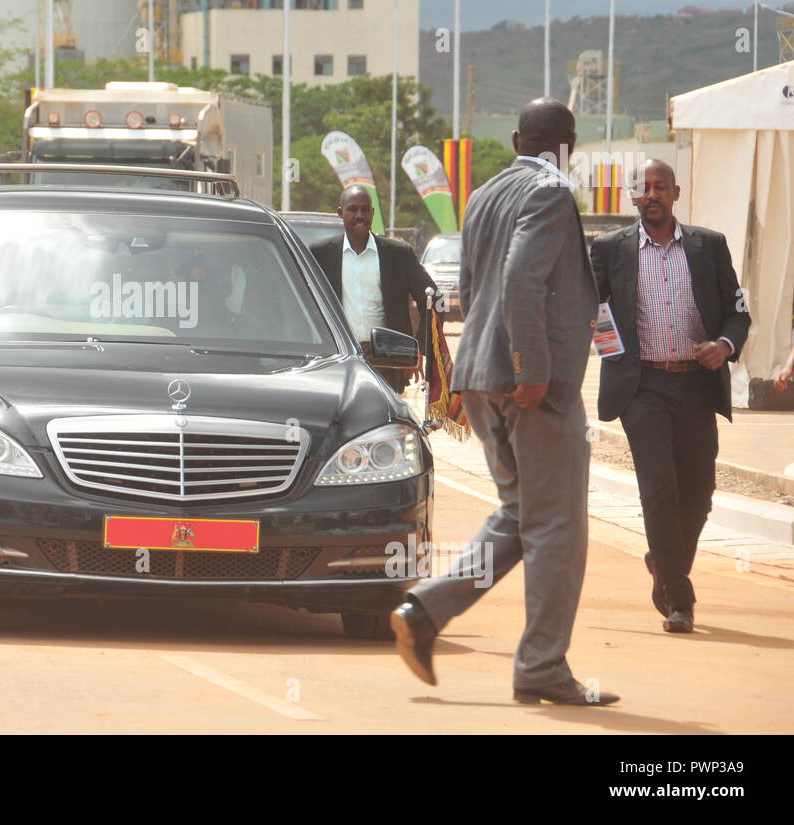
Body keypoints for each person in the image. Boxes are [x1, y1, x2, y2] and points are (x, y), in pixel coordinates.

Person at [390, 98, 619, 706]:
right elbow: (521, 279)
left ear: (518, 138)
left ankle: (424, 612)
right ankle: (542, 666)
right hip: (528, 385)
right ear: (568, 145)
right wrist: (534, 368)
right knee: (559, 528)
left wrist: (492, 365)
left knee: (522, 517)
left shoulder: (484, 195)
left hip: (482, 376)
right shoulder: (550, 192)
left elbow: (470, 285)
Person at [590, 160, 750, 634]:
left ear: (676, 192)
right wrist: (615, 356)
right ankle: (681, 599)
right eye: (644, 188)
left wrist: (722, 347)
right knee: (658, 490)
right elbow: (593, 310)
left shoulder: (709, 246)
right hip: (643, 389)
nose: (652, 194)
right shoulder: (609, 249)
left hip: (697, 386)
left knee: (698, 495)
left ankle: (663, 561)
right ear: (633, 196)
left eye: (661, 186)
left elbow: (738, 311)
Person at [308, 186, 436, 392]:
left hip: (387, 361)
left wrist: (417, 349)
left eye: (365, 210)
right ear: (340, 213)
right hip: (337, 360)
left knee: (385, 420)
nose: (360, 216)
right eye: (353, 210)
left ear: (372, 213)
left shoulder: (398, 254)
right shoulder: (320, 253)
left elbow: (434, 300)